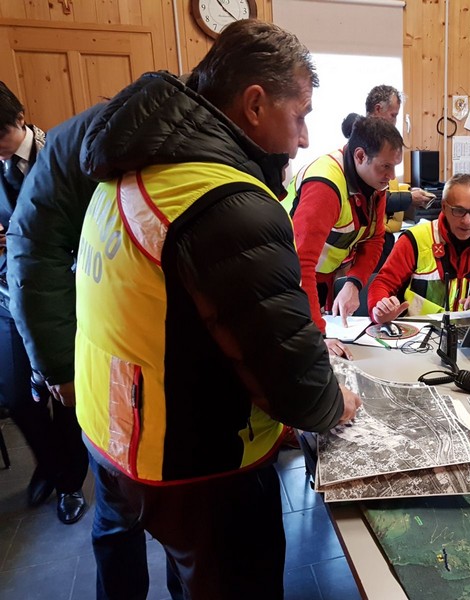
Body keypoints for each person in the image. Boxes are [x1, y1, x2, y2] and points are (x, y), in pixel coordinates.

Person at [75, 20, 360, 600]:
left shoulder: (135, 165)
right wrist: (335, 402)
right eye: (300, 115)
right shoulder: (226, 201)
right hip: (197, 461)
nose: (305, 138)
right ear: (254, 105)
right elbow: (293, 384)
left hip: (113, 428)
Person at [6, 103, 186, 597]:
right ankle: (65, 479)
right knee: (120, 504)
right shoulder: (72, 151)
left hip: (101, 319)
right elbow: (31, 251)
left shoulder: (78, 147)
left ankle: (75, 483)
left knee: (139, 507)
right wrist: (55, 365)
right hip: (63, 316)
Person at [0, 81, 90, 526]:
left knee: (67, 391)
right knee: (18, 397)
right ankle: (50, 466)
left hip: (63, 296)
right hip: (7, 294)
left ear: (19, 119)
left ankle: (69, 480)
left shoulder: (65, 155)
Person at [282, 115, 404, 357]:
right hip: (289, 280)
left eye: (395, 167)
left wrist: (354, 283)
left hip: (321, 277)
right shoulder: (325, 186)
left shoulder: (374, 182)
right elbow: (300, 264)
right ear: (360, 156)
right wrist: (318, 336)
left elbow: (374, 239)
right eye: (386, 166)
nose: (392, 176)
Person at [369, 173, 470, 322]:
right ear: (444, 207)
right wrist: (380, 311)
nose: (467, 221)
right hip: (420, 333)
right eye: (459, 211)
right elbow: (382, 284)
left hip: (468, 332)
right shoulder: (414, 239)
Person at [344, 85, 434, 268]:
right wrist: (409, 198)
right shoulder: (362, 146)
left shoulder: (376, 147)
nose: (395, 122)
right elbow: (372, 197)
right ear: (378, 109)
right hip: (360, 244)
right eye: (393, 115)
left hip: (376, 239)